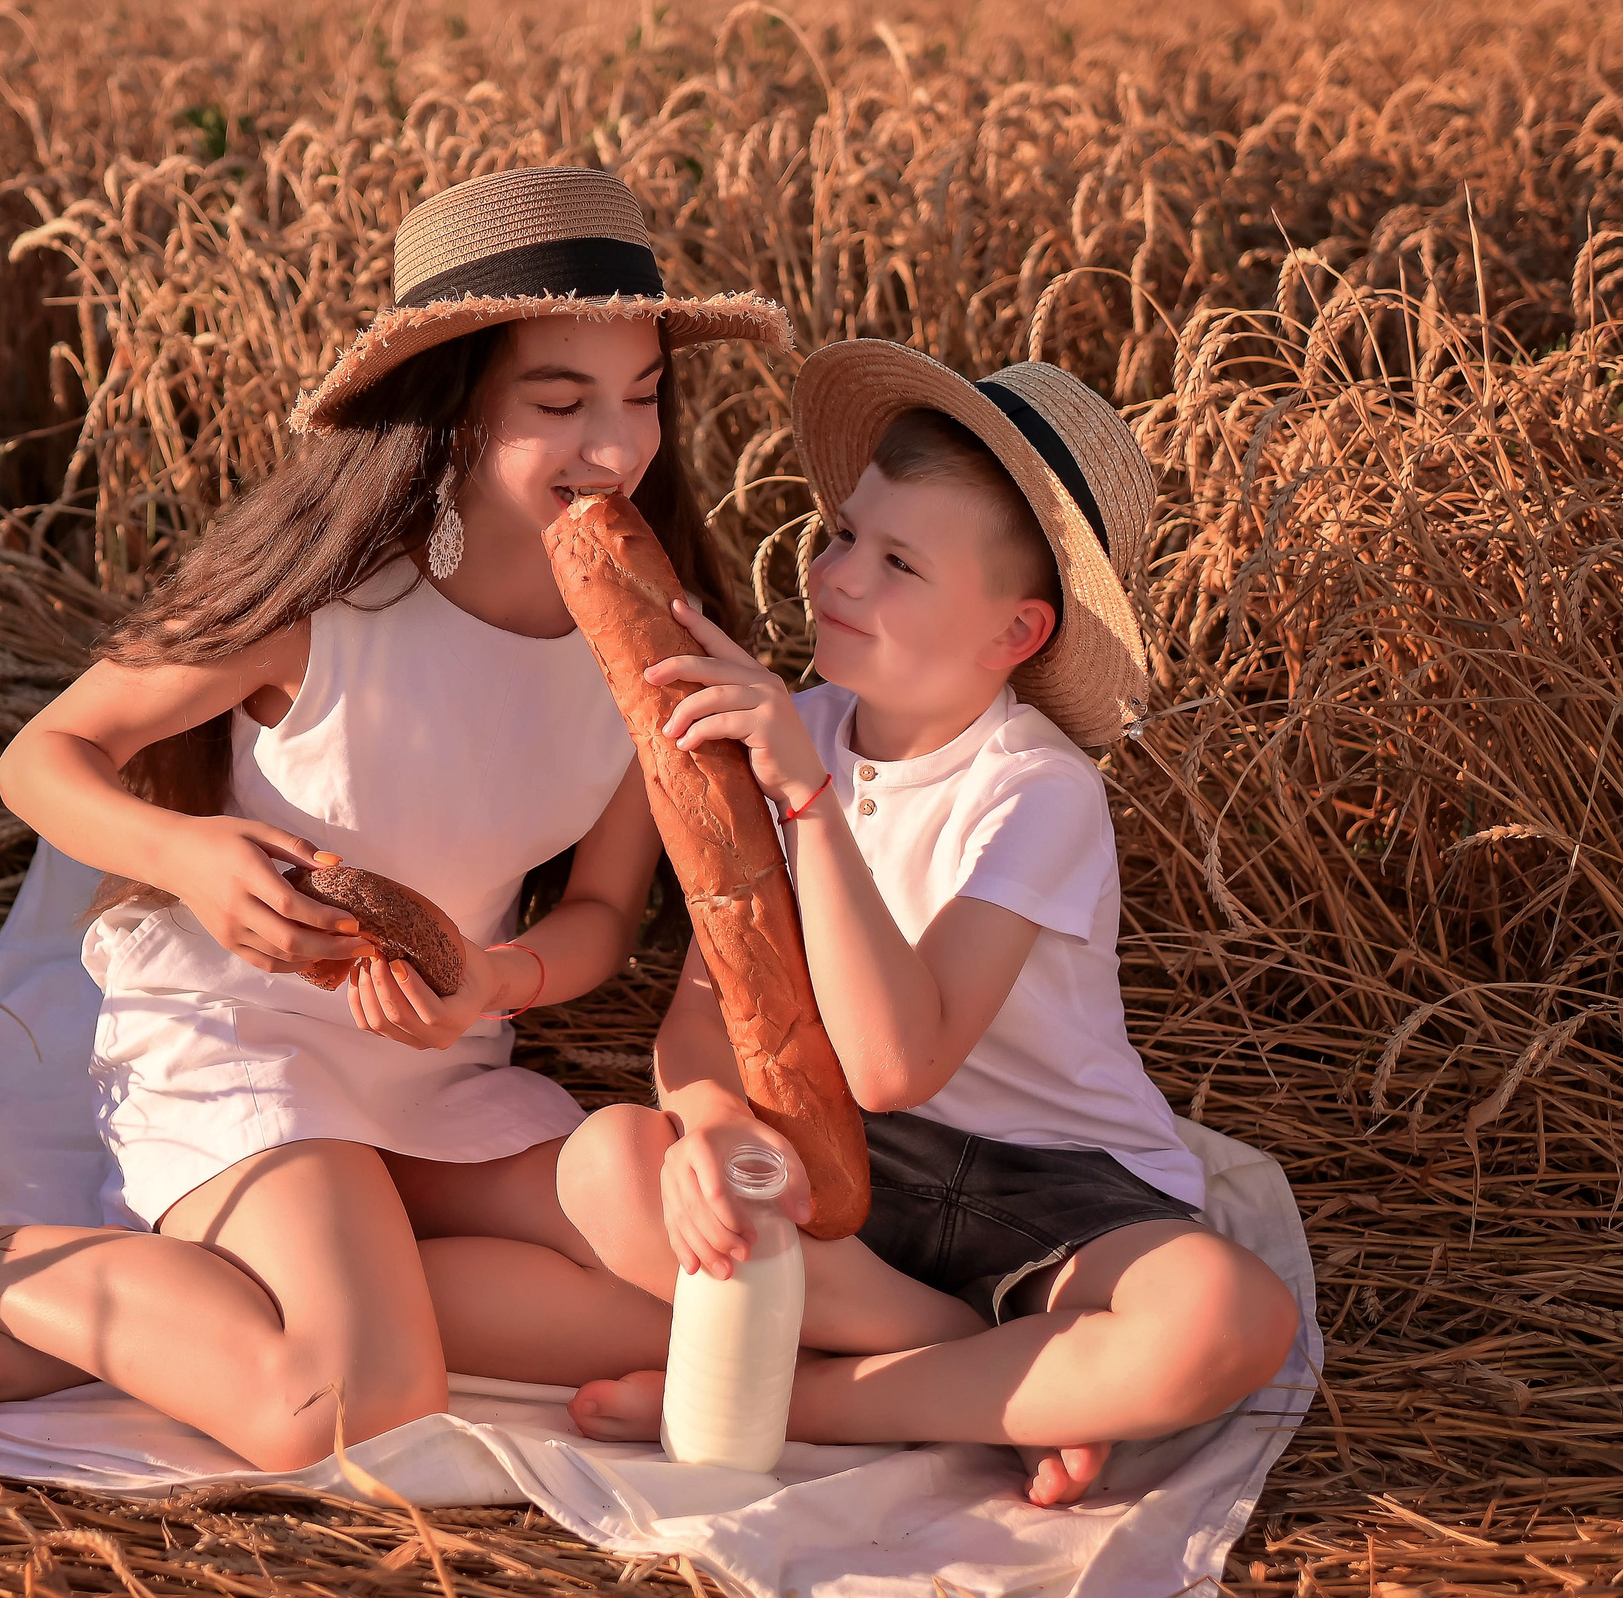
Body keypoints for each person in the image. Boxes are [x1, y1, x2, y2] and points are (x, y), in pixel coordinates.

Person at [0, 166, 794, 1472]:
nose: (616, 447)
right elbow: (46, 756)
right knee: (354, 1397)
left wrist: (492, 974)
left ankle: (133, 1311)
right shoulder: (328, 603)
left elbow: (596, 914)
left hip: (440, 1060)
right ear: (454, 411)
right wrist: (186, 853)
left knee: (679, 1302)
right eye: (559, 400)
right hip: (240, 1040)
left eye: (642, 396)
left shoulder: (651, 639)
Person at [553, 342, 1300, 1506]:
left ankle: (798, 1396)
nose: (838, 577)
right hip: (864, 1184)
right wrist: (700, 1119)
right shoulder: (791, 721)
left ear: (1014, 634)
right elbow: (708, 1007)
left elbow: (898, 1060)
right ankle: (988, 1374)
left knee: (1227, 1316)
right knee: (607, 1162)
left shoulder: (1033, 791)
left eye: (899, 562)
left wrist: (808, 798)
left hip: (1055, 1186)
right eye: (845, 533)